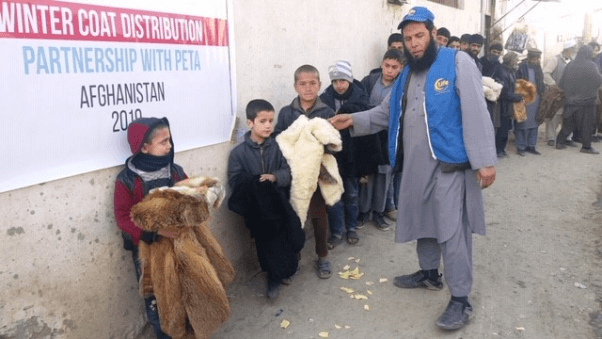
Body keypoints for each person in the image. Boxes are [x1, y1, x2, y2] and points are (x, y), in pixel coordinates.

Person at [330, 6, 496, 330]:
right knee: (423, 222)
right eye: (408, 38)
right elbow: (384, 112)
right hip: (416, 167)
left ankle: (461, 299)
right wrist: (351, 119)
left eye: (419, 35)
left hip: (451, 165)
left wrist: (485, 162)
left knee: (451, 231)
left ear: (433, 34)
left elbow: (476, 112)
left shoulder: (458, 62)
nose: (414, 43)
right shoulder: (406, 74)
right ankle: (430, 274)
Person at [114, 117, 187, 339]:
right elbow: (123, 217)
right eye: (163, 142)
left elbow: (187, 196)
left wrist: (197, 193)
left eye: (170, 140)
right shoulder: (127, 180)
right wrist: (154, 233)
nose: (170, 146)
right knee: (156, 297)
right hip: (145, 249)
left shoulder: (174, 171)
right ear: (144, 147)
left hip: (176, 242)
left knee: (181, 290)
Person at [227, 99, 305, 299]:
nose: (268, 125)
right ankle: (273, 278)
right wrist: (255, 184)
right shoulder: (238, 153)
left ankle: (291, 266)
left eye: (271, 120)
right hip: (259, 210)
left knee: (288, 236)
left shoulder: (279, 147)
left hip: (279, 203)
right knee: (266, 244)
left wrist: (275, 177)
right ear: (250, 123)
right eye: (263, 121)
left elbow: (289, 170)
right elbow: (235, 181)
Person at [274, 64, 335, 279]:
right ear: (295, 86)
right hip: (294, 175)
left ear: (319, 85)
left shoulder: (327, 111)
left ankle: (322, 256)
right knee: (294, 217)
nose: (308, 88)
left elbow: (331, 143)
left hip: (317, 175)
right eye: (303, 84)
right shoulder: (286, 112)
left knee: (319, 216)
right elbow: (279, 141)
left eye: (312, 84)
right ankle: (295, 257)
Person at [319, 60, 370, 247]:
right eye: (335, 81)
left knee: (351, 193)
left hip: (352, 155)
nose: (339, 85)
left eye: (343, 80)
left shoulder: (361, 98)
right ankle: (336, 232)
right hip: (331, 156)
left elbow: (366, 128)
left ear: (349, 79)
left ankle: (351, 228)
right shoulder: (324, 100)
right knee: (333, 196)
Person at [360, 49, 405, 230]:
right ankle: (364, 212)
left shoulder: (402, 85)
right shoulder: (369, 81)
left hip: (389, 136)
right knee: (367, 173)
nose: (390, 70)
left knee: (385, 174)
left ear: (400, 68)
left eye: (394, 67)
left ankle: (379, 212)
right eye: (387, 65)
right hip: (369, 136)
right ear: (381, 64)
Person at [556, 45, 602, 154]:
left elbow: (561, 83)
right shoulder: (591, 65)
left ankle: (559, 142)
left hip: (571, 100)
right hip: (588, 101)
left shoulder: (570, 65)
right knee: (587, 125)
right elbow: (598, 80)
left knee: (569, 122)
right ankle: (586, 147)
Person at [543, 40, 576, 146]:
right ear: (567, 50)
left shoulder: (573, 61)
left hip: (569, 93)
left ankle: (567, 138)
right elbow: (546, 73)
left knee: (568, 115)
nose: (573, 51)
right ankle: (551, 137)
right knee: (554, 115)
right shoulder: (555, 59)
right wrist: (553, 85)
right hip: (557, 93)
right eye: (572, 49)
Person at [494, 52, 524, 157]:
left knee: (506, 128)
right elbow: (504, 91)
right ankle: (499, 150)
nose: (517, 62)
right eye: (515, 60)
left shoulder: (511, 71)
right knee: (502, 129)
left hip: (508, 104)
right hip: (502, 105)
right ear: (510, 60)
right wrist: (517, 97)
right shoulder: (502, 71)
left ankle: (501, 149)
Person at [516, 48, 545, 156]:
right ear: (529, 57)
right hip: (524, 99)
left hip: (536, 98)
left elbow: (541, 82)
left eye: (538, 59)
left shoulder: (538, 67)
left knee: (534, 122)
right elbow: (517, 82)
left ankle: (531, 146)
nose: (536, 61)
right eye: (534, 58)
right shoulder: (521, 66)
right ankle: (521, 147)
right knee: (523, 122)